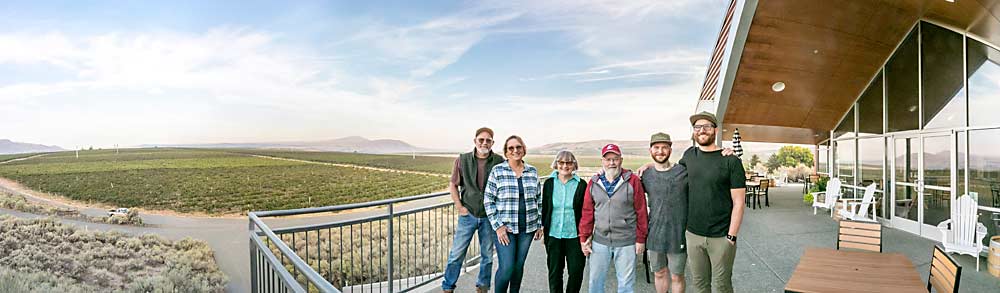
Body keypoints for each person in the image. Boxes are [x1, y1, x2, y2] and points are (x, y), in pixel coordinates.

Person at [681, 112, 746, 293]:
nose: (702, 130)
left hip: (721, 236)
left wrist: (731, 237)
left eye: (707, 127)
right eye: (697, 127)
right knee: (700, 285)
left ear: (715, 130)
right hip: (693, 235)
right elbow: (669, 172)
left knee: (722, 286)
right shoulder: (689, 156)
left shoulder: (731, 161)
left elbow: (739, 202)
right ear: (694, 132)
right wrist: (648, 166)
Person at [442, 127, 505, 293]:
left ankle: (482, 287)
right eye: (481, 140)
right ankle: (447, 287)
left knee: (487, 256)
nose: (485, 143)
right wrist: (459, 207)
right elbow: (453, 184)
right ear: (475, 141)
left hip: (489, 217)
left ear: (492, 143)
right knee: (456, 254)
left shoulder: (499, 161)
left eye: (488, 140)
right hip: (468, 214)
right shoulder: (462, 159)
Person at [578, 143, 648, 293]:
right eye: (608, 159)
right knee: (595, 281)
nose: (611, 163)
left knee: (626, 284)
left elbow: (641, 211)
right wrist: (584, 237)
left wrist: (640, 239)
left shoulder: (632, 181)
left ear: (621, 160)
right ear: (602, 161)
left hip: (626, 241)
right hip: (600, 241)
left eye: (615, 159)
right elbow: (587, 212)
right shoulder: (594, 182)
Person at [483, 135, 544, 293]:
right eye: (511, 148)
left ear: (523, 149)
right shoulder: (498, 171)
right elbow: (488, 200)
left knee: (518, 267)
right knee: (507, 267)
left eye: (518, 147)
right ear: (506, 152)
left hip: (527, 228)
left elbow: (539, 199)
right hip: (505, 229)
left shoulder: (532, 171)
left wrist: (539, 225)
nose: (515, 150)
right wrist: (498, 227)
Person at [641, 132, 688, 293]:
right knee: (660, 273)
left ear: (670, 149)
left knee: (677, 276)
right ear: (650, 150)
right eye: (656, 147)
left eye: (664, 147)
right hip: (654, 234)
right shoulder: (645, 175)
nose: (660, 151)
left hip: (678, 234)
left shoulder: (683, 172)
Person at [541, 150, 587, 293]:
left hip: (575, 236)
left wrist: (587, 235)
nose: (565, 166)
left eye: (568, 163)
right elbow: (545, 208)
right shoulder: (549, 183)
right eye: (561, 162)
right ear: (556, 164)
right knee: (555, 273)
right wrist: (543, 229)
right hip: (553, 235)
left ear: (574, 165)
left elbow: (586, 211)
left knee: (576, 272)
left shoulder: (581, 184)